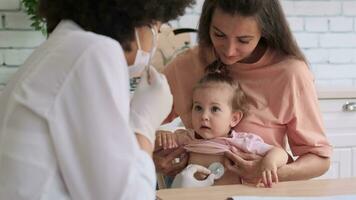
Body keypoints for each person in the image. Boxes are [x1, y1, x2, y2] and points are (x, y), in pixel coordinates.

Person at [0, 0, 195, 199]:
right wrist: (144, 122)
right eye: (157, 29)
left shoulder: (65, 46)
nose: (155, 41)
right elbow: (127, 196)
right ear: (138, 20)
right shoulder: (94, 52)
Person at [154, 0, 332, 186]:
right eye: (219, 35)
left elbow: (319, 159)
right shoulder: (186, 65)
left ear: (265, 31)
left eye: (243, 40)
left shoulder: (291, 74)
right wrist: (152, 159)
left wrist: (269, 171)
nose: (229, 51)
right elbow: (132, 128)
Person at [156, 71, 289, 188]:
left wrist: (269, 162)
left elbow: (279, 152)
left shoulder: (241, 142)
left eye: (214, 109)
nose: (204, 116)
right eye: (198, 108)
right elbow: (147, 147)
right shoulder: (187, 138)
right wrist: (162, 136)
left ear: (234, 118)